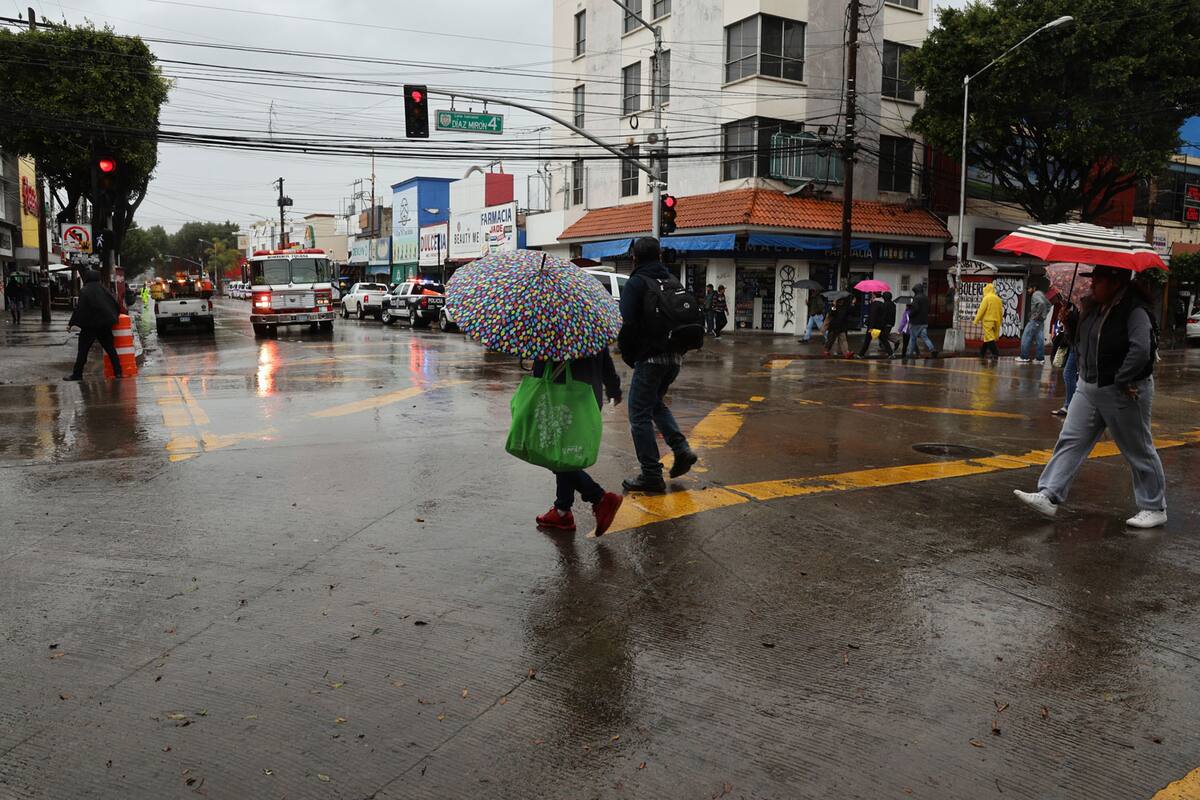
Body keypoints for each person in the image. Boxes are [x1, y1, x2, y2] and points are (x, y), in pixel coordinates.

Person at [1014, 266, 1167, 529]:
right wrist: (1071, 322)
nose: (1092, 284)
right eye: (1092, 279)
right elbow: (1081, 344)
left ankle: (1154, 507)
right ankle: (1049, 494)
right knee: (1071, 440)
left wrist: (1122, 378)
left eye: (1098, 280)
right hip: (1089, 386)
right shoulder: (1093, 307)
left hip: (1123, 389)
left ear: (1116, 282)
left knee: (1138, 448)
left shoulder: (1135, 310)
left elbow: (1141, 350)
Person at [617, 236, 698, 494]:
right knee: (654, 404)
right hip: (674, 357)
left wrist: (630, 355)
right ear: (660, 255)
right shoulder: (671, 280)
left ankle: (651, 474)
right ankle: (681, 449)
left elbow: (627, 322)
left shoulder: (637, 282)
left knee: (638, 414)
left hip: (650, 358)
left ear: (634, 257)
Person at [532, 350, 625, 537]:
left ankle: (599, 497)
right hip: (589, 397)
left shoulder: (550, 327)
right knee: (565, 452)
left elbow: (541, 370)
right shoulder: (589, 326)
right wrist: (614, 387)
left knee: (555, 454)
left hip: (562, 397)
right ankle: (562, 511)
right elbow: (605, 360)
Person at [65, 270, 122, 381]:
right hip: (104, 325)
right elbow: (115, 304)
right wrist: (113, 318)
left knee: (83, 351)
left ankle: (77, 374)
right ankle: (118, 372)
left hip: (89, 326)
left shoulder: (85, 291)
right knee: (110, 349)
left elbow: (79, 309)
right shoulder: (104, 290)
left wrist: (71, 323)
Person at [1017, 281, 1051, 364]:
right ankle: (1040, 358)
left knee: (1026, 336)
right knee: (1039, 339)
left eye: (1029, 288)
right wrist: (1043, 315)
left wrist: (1036, 316)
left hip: (1035, 320)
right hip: (1040, 321)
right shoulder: (1041, 294)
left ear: (1034, 288)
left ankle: (1024, 356)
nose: (1028, 290)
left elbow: (1042, 304)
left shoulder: (1035, 295)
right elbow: (1048, 305)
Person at [856, 292, 895, 358]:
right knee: (884, 340)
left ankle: (860, 354)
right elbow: (884, 316)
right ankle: (891, 354)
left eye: (872, 294)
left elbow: (872, 316)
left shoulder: (874, 304)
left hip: (873, 326)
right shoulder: (883, 304)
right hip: (880, 326)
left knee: (867, 341)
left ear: (874, 295)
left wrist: (870, 327)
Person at [906, 283, 938, 358]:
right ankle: (932, 349)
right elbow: (928, 309)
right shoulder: (926, 298)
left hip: (916, 322)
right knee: (925, 337)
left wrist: (909, 314)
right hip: (924, 321)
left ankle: (909, 354)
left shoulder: (916, 298)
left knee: (913, 338)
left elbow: (915, 309)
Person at [973, 283, 1003, 358]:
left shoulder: (986, 298)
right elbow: (1000, 311)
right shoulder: (998, 299)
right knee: (987, 337)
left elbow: (981, 310)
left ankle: (995, 353)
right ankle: (982, 353)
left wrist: (976, 320)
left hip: (988, 321)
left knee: (989, 338)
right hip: (996, 320)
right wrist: (1000, 320)